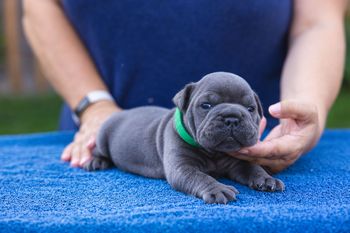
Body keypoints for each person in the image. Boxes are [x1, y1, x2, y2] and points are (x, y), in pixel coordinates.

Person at [23, 0, 347, 173]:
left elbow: (318, 20)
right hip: (104, 132)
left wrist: (306, 101)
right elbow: (40, 6)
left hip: (262, 143)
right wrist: (94, 106)